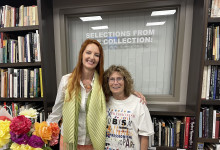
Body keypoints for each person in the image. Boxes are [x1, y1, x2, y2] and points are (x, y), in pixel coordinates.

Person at [47, 39, 146, 150]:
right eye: (88, 52)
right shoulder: (66, 80)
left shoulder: (102, 82)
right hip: (68, 142)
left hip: (93, 142)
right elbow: (57, 112)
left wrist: (132, 92)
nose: (92, 57)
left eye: (96, 55)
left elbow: (116, 87)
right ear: (82, 54)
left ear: (99, 59)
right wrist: (42, 133)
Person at [103, 65, 154, 150]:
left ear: (125, 81)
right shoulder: (103, 102)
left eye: (119, 78)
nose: (115, 82)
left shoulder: (138, 103)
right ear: (107, 82)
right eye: (112, 79)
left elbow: (144, 135)